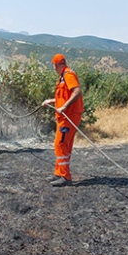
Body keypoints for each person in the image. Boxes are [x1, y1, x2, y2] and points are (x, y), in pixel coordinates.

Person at [41, 54, 84, 187]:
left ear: (55, 65)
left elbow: (77, 91)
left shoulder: (68, 75)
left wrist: (64, 106)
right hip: (65, 116)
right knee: (62, 144)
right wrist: (52, 101)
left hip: (69, 116)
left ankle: (65, 176)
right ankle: (59, 173)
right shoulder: (63, 77)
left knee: (60, 144)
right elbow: (64, 96)